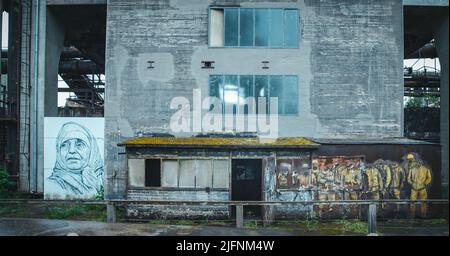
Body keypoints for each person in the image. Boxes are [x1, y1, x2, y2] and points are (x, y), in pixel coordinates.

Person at [47, 122, 104, 197]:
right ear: (58, 151)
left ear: (92, 150)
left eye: (79, 145)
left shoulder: (102, 178)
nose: (71, 150)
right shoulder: (52, 183)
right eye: (64, 145)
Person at [404, 153, 432, 218]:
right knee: (412, 202)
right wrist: (411, 183)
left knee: (423, 202)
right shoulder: (412, 169)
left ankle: (423, 215)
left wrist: (425, 183)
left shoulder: (425, 169)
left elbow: (429, 177)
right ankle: (412, 215)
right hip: (414, 188)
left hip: (422, 188)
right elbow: (408, 178)